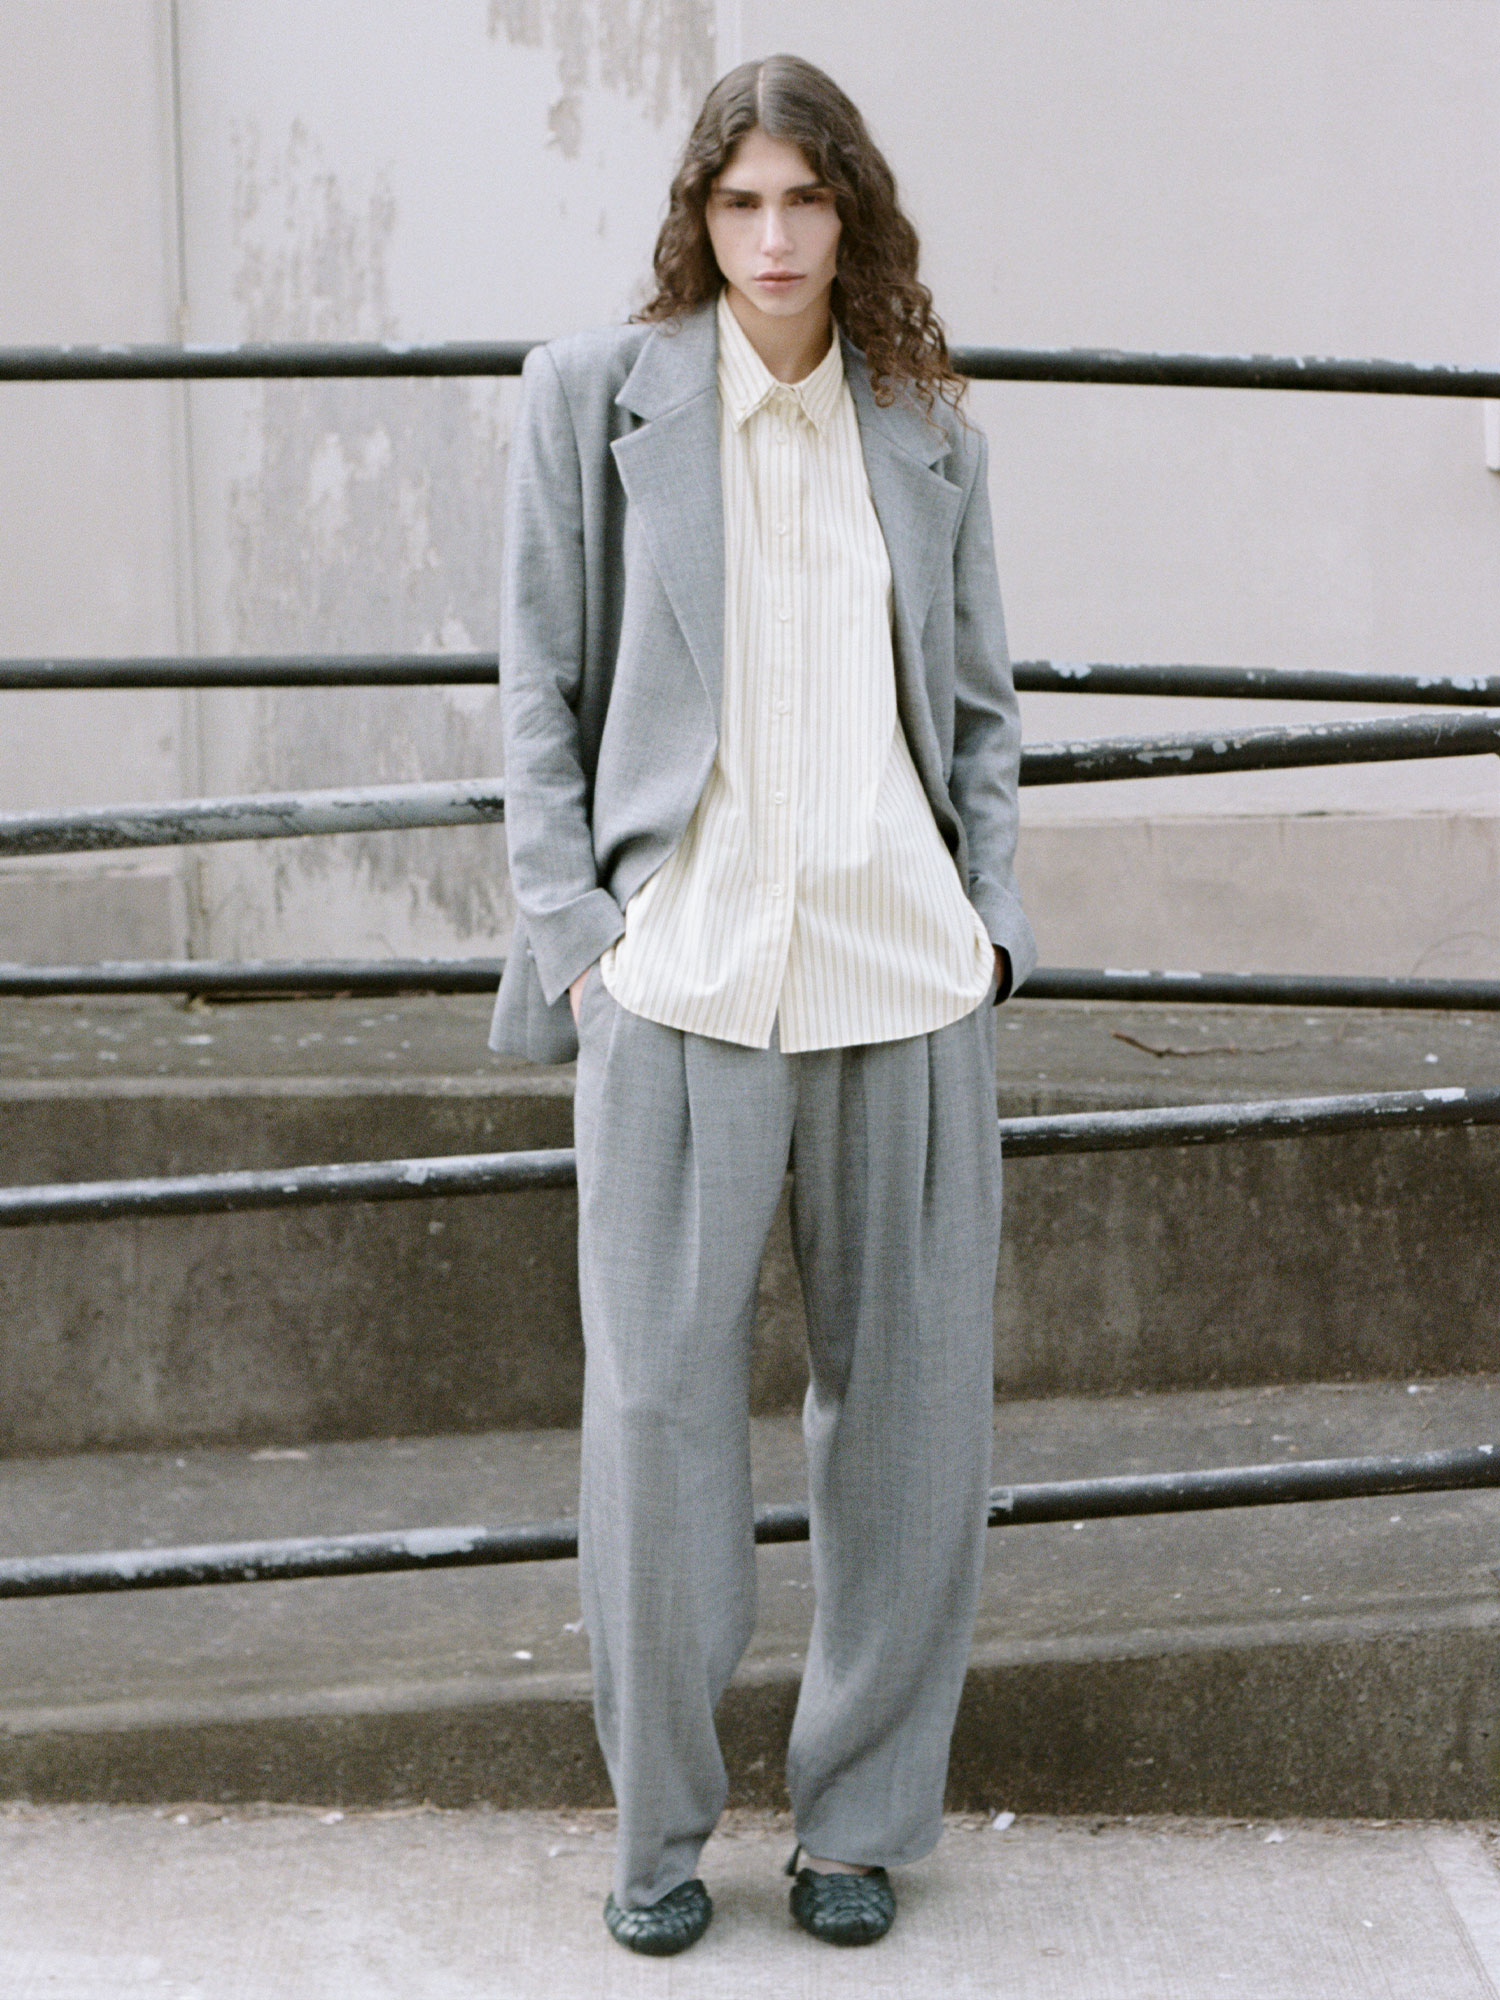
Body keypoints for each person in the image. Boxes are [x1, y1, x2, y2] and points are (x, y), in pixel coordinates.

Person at [489, 52, 1035, 1956]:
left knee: (912, 1433)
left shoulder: (925, 423)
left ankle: (856, 1826)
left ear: (851, 212)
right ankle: (658, 1837)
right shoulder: (594, 398)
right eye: (743, 203)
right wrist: (584, 942)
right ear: (700, 217)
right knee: (653, 1423)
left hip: (905, 978)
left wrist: (992, 930)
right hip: (681, 982)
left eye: (808, 200)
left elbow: (979, 714)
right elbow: (537, 698)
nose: (777, 238)